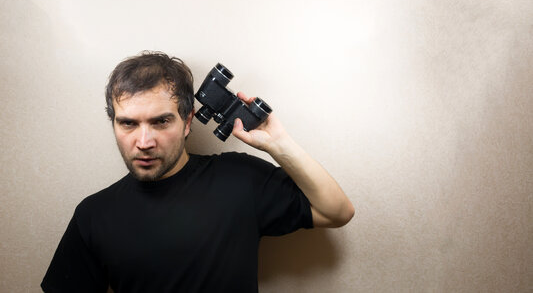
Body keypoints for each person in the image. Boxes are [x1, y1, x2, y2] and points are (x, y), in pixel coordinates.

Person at [41, 51, 354, 292]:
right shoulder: (93, 216)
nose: (144, 142)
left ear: (188, 121)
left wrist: (278, 144)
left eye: (161, 121)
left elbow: (337, 211)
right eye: (128, 123)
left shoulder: (240, 179)